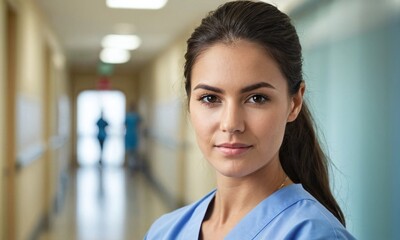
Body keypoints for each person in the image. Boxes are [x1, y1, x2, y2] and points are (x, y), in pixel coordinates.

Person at [145, 1, 356, 239]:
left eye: (257, 98)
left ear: (294, 103)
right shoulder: (164, 231)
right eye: (210, 98)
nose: (231, 123)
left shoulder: (314, 234)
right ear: (189, 103)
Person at [124, 103, 141, 170]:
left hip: (129, 134)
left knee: (130, 151)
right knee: (133, 151)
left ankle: (131, 165)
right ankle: (132, 165)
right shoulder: (136, 116)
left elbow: (125, 125)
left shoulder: (127, 116)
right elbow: (139, 125)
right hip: (134, 134)